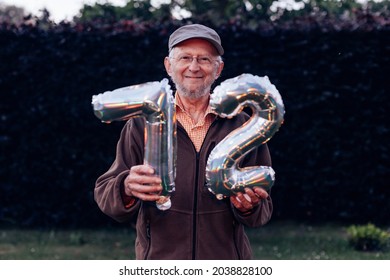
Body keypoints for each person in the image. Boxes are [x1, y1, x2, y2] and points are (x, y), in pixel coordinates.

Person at [94, 24, 273, 260]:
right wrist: (126, 187)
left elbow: (264, 208)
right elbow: (105, 194)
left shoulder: (244, 126)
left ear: (218, 69)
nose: (194, 67)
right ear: (169, 65)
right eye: (185, 58)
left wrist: (249, 206)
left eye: (204, 59)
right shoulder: (141, 125)